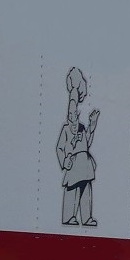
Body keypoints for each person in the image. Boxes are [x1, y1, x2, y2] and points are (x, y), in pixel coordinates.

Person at [55, 67, 99, 226]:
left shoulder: (81, 128)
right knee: (72, 190)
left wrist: (92, 127)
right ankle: (68, 217)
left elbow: (87, 142)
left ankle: (86, 217)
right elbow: (59, 148)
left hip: (85, 163)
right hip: (74, 165)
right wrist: (63, 161)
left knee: (86, 191)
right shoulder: (67, 129)